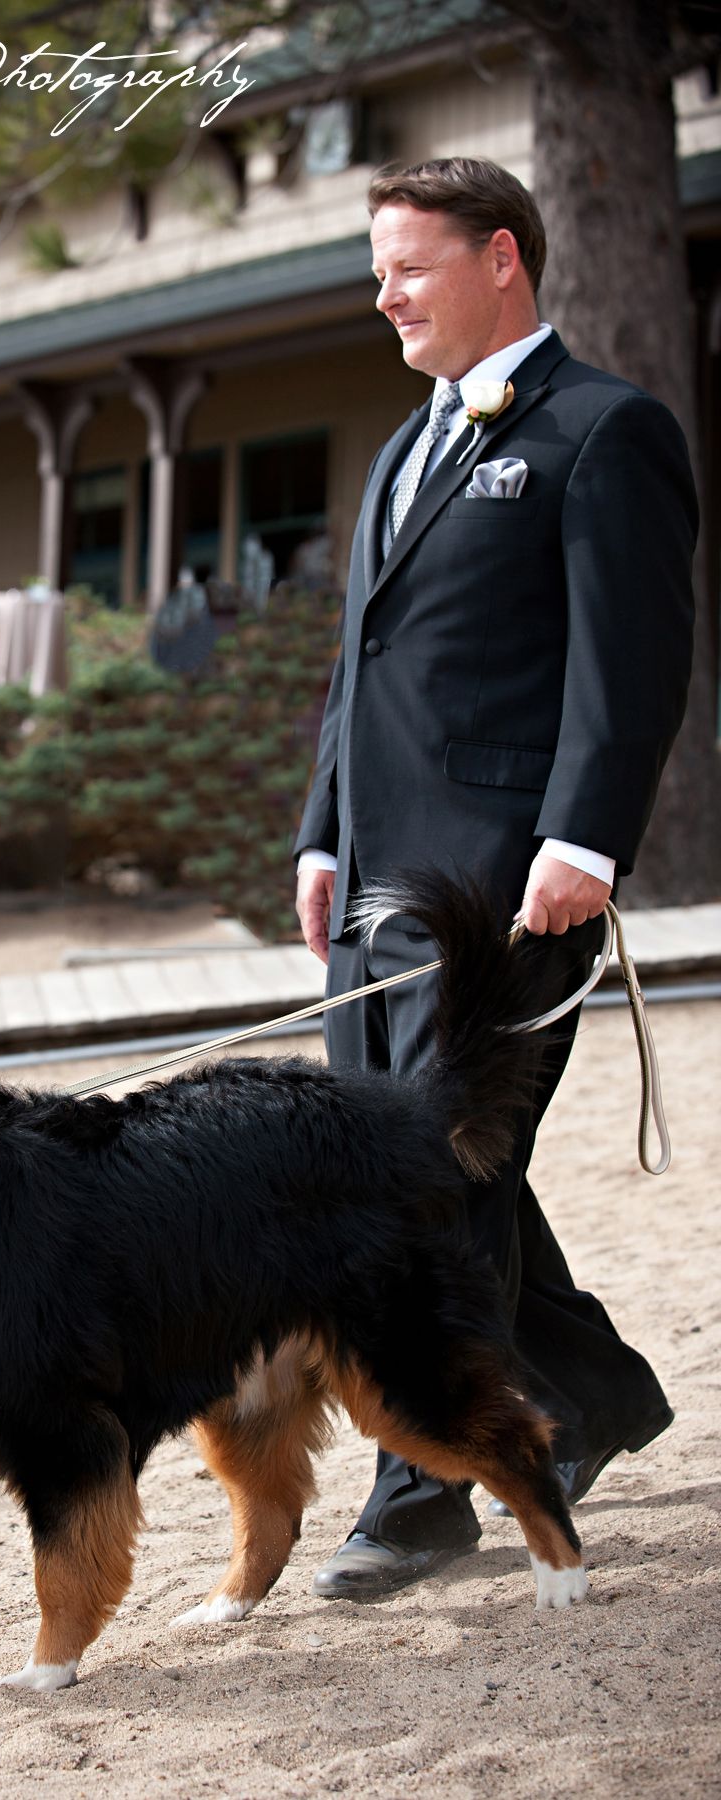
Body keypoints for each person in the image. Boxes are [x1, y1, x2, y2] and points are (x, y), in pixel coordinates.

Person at [294, 156, 696, 1599]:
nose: (385, 296)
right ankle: (591, 1396)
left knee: (427, 1178)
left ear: (502, 258)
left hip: (508, 891)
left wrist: (585, 839)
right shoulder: (403, 450)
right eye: (378, 272)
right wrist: (322, 833)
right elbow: (364, 664)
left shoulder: (605, 430)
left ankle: (426, 1489)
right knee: (424, 1166)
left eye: (409, 267)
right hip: (375, 891)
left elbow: (632, 656)